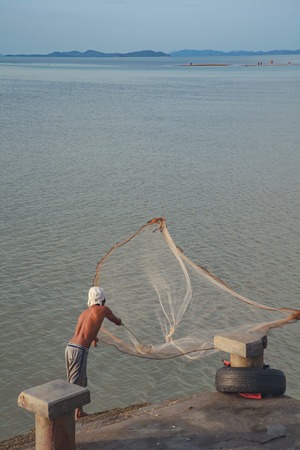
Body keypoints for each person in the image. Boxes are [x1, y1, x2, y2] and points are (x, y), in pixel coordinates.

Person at [65, 286, 123, 419]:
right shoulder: (103, 310)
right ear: (102, 300)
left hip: (70, 347)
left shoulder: (84, 313)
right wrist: (120, 322)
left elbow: (82, 333)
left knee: (79, 381)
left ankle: (79, 412)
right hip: (79, 350)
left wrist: (93, 338)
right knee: (74, 384)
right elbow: (115, 320)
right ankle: (70, 415)